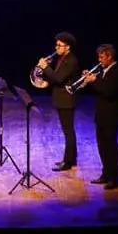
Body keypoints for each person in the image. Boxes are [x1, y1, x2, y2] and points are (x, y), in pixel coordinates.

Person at [82, 44, 118, 189]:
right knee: (102, 146)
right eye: (99, 57)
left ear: (109, 57)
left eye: (101, 57)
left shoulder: (117, 71)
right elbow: (99, 89)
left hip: (111, 117)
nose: (99, 60)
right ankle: (105, 174)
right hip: (100, 115)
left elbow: (109, 91)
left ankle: (115, 178)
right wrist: (88, 79)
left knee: (111, 147)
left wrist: (95, 80)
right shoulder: (103, 70)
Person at [36, 32, 80, 171]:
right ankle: (71, 160)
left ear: (68, 47)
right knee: (68, 131)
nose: (56, 48)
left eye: (59, 45)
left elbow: (58, 79)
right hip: (62, 99)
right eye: (56, 45)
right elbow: (55, 76)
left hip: (67, 100)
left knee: (68, 131)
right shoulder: (62, 58)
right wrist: (46, 68)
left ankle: (68, 162)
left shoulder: (71, 60)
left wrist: (45, 68)